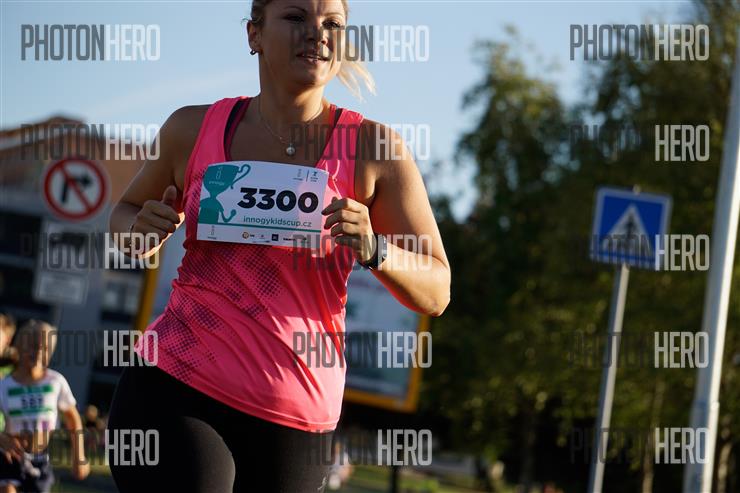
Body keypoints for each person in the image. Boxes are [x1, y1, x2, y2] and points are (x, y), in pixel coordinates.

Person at [106, 0, 450, 491]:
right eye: (295, 17)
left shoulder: (375, 150)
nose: (317, 33)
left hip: (296, 413)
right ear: (254, 35)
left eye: (332, 23)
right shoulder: (191, 128)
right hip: (176, 382)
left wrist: (376, 249)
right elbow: (124, 215)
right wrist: (141, 230)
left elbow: (437, 290)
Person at [0, 320, 89, 492]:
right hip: (10, 457)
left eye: (46, 348)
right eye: (33, 346)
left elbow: (73, 419)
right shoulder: (5, 386)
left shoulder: (56, 382)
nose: (39, 352)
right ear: (19, 347)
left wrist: (79, 456)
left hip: (40, 460)